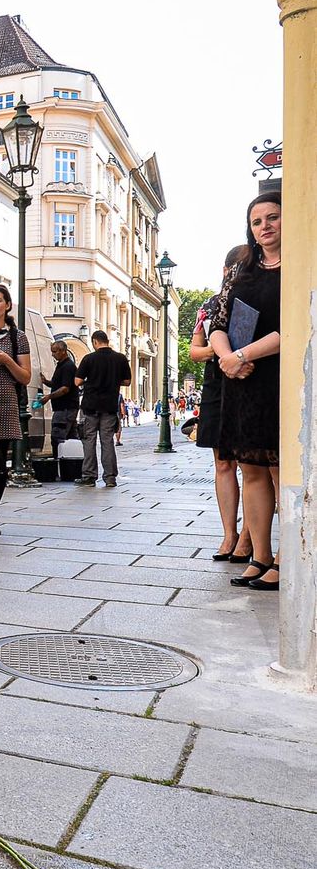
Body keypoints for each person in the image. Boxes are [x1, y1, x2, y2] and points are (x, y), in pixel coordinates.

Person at [209, 193, 282, 591]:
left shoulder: (301, 266)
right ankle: (260, 556)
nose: (265, 226)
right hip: (241, 380)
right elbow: (218, 321)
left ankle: (286, 559)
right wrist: (226, 359)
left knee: (278, 470)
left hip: (276, 377)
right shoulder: (243, 272)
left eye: (273, 218)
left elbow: (296, 324)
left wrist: (240, 354)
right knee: (251, 469)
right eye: (257, 221)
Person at [190, 246, 252, 563]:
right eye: (233, 267)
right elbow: (195, 351)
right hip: (217, 383)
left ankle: (248, 535)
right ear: (224, 269)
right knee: (223, 462)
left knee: (249, 463)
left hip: (249, 379)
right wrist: (223, 352)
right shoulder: (210, 305)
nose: (236, 272)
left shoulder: (255, 296)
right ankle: (229, 532)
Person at [0, 284, 32, 535]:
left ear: (7, 305)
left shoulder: (17, 337)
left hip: (5, 405)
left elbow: (25, 377)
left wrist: (7, 360)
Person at [76, 332, 132, 487]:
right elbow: (127, 381)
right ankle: (110, 478)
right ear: (107, 341)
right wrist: (113, 381)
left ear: (95, 342)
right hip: (109, 405)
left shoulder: (89, 358)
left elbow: (77, 381)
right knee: (107, 441)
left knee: (89, 441)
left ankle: (89, 476)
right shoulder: (120, 358)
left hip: (91, 406)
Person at [42, 340, 79, 470]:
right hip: (67, 408)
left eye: (55, 351)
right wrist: (46, 382)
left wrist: (48, 397)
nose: (53, 354)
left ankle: (60, 466)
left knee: (58, 437)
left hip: (65, 408)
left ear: (63, 351)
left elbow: (65, 388)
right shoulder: (62, 365)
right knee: (71, 438)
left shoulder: (68, 366)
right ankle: (72, 467)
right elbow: (57, 384)